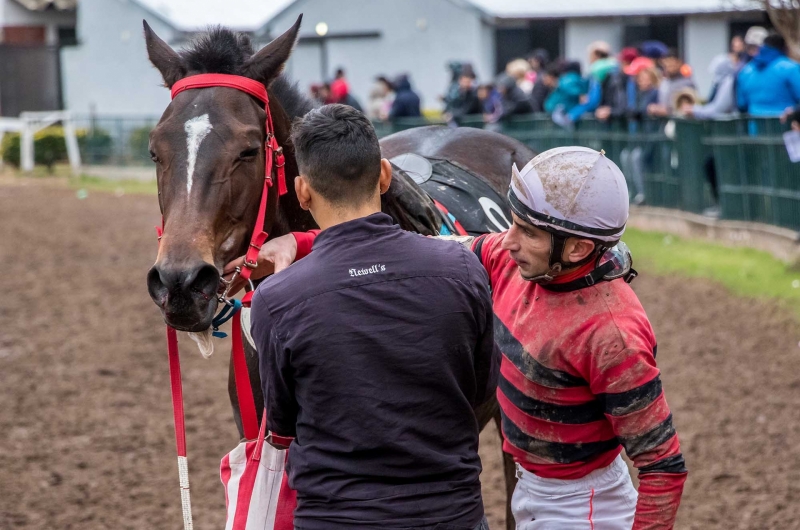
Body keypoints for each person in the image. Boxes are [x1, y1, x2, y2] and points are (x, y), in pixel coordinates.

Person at [250, 146, 688, 529]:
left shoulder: (613, 335)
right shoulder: (510, 258)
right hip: (533, 490)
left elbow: (662, 466)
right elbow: (419, 251)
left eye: (528, 233)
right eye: (513, 224)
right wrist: (302, 242)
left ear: (576, 249)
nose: (507, 240)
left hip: (582, 507)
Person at [243, 104, 498, 530]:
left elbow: (283, 424)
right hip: (451, 514)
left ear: (303, 192)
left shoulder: (276, 300)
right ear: (384, 175)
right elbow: (482, 387)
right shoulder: (463, 269)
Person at [621, 66, 661, 206]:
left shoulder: (655, 92)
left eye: (646, 78)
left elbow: (646, 110)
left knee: (636, 157)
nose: (642, 81)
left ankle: (642, 193)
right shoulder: (637, 94)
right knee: (625, 156)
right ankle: (631, 191)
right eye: (640, 78)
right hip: (639, 135)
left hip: (651, 135)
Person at [737, 33, 800, 117]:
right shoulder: (791, 67)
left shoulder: (745, 71)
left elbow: (741, 104)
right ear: (785, 48)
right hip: (786, 124)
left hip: (754, 125)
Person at [558, 41, 620, 126]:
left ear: (597, 55)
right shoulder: (614, 65)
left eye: (590, 55)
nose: (589, 59)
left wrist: (572, 115)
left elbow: (592, 99)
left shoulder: (598, 69)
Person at [648, 49, 695, 116]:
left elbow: (687, 108)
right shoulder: (664, 83)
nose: (669, 67)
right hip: (664, 122)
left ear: (679, 63)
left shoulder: (687, 83)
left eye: (672, 64)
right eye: (667, 64)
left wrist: (668, 111)